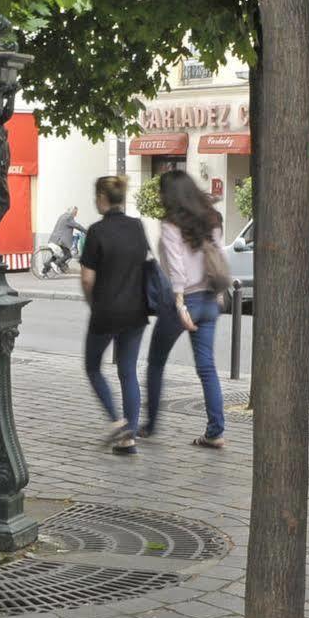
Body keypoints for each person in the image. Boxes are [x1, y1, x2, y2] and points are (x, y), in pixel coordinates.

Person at [142, 169, 227, 447]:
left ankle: (150, 425)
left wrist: (179, 304)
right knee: (207, 368)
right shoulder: (213, 219)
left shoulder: (171, 224)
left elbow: (177, 269)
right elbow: (220, 258)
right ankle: (215, 432)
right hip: (209, 299)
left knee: (156, 363)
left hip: (183, 302)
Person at [78, 176, 150, 455]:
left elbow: (86, 279)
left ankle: (117, 421)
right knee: (128, 371)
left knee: (93, 367)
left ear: (102, 198)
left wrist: (92, 303)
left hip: (106, 311)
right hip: (136, 311)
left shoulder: (96, 231)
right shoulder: (137, 227)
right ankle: (128, 437)